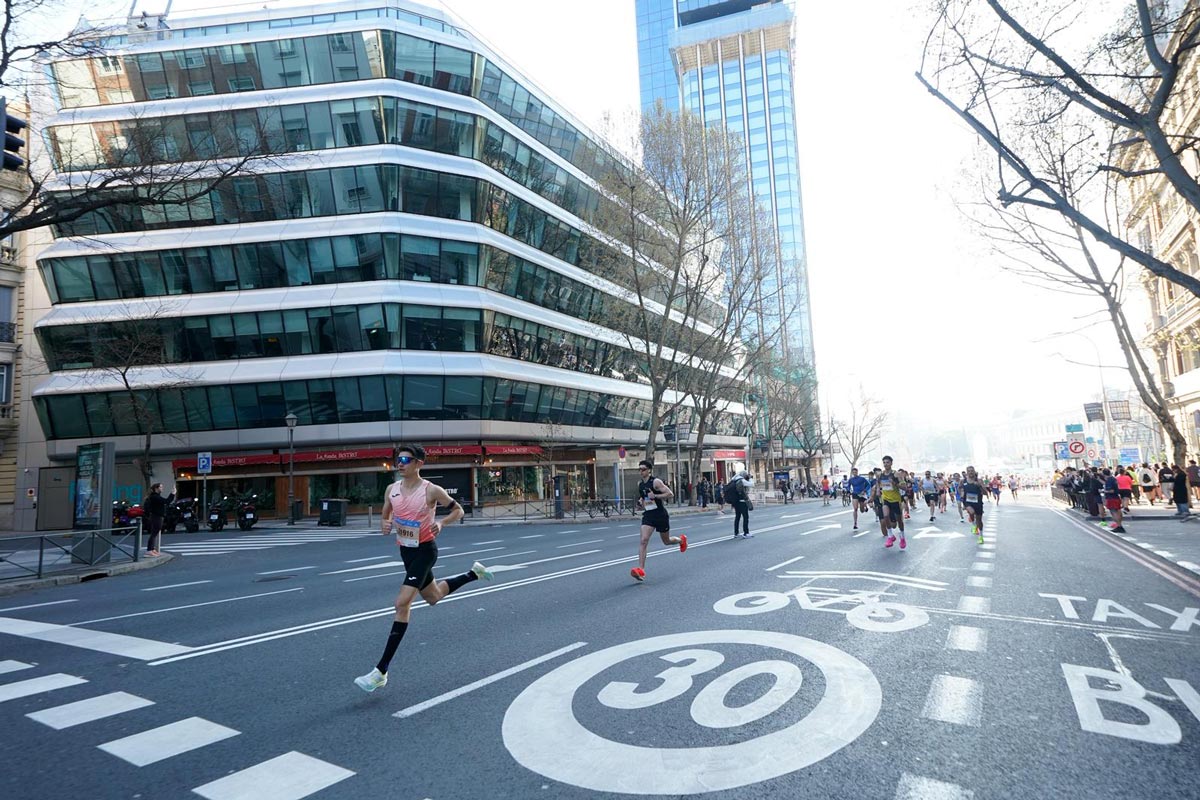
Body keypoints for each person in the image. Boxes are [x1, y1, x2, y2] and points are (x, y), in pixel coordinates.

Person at [355, 444, 491, 693]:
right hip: (406, 551)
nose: (400, 463)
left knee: (402, 603)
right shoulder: (391, 489)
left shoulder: (432, 490)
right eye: (398, 459)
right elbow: (386, 514)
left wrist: (443, 522)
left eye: (406, 459)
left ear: (419, 463)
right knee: (433, 597)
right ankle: (474, 573)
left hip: (425, 551)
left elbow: (458, 510)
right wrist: (385, 524)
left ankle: (380, 671)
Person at [630, 459, 686, 581]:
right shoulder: (641, 484)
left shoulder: (656, 482)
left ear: (649, 470)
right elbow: (644, 498)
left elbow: (670, 494)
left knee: (666, 541)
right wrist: (640, 503)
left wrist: (655, 496)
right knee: (643, 540)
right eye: (639, 469)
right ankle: (641, 570)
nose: (641, 471)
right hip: (649, 515)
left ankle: (681, 540)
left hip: (660, 514)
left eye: (643, 469)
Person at [872, 456, 906, 549]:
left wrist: (895, 483)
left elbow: (904, 487)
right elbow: (878, 483)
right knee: (885, 516)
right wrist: (878, 490)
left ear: (891, 463)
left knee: (899, 522)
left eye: (887, 462)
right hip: (885, 498)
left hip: (895, 500)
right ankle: (890, 536)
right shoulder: (880, 474)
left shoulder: (896, 474)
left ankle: (902, 537)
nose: (885, 464)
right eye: (884, 462)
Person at [961, 467, 986, 544]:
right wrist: (962, 496)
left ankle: (981, 536)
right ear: (967, 472)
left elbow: (985, 493)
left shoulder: (979, 481)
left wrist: (980, 486)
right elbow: (960, 489)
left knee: (979, 520)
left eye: (972, 471)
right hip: (968, 502)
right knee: (971, 512)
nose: (971, 472)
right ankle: (973, 524)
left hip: (978, 502)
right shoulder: (963, 481)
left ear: (974, 472)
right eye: (969, 471)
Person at [143, 483, 167, 557]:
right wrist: (173, 493)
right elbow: (166, 501)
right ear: (156, 488)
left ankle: (152, 549)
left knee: (155, 533)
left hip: (157, 516)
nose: (162, 488)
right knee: (154, 533)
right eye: (161, 487)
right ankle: (149, 550)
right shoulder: (155, 497)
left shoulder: (156, 496)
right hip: (156, 516)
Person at [729, 470, 753, 539]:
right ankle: (746, 533)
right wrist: (750, 478)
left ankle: (736, 533)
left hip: (736, 502)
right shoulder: (742, 481)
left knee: (737, 517)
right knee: (745, 517)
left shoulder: (734, 480)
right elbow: (751, 484)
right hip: (742, 501)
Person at [1101, 469, 1126, 533]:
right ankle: (1119, 525)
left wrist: (1104, 491)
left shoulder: (1109, 480)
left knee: (1113, 512)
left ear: (1104, 474)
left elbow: (1111, 490)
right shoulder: (1113, 479)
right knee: (1118, 511)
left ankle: (1119, 526)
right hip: (1116, 497)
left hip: (1111, 498)